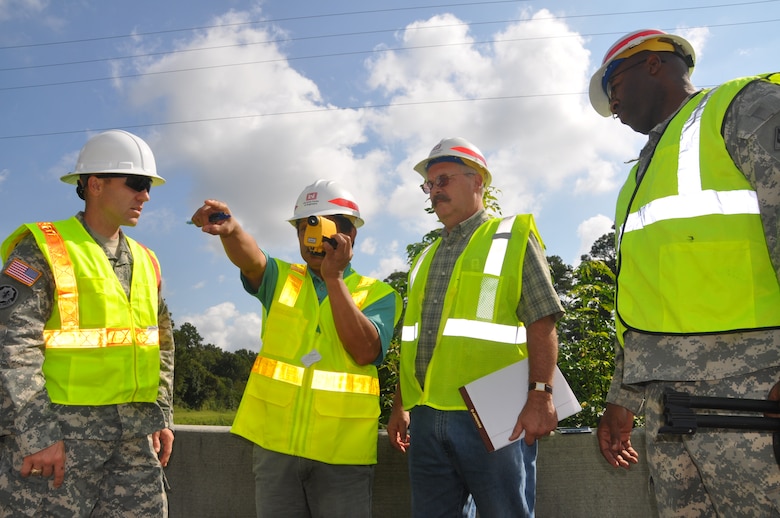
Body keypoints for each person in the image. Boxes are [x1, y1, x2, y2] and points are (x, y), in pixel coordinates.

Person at [589, 28, 780, 515]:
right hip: (666, 403)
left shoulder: (744, 107)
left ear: (653, 63)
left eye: (614, 85)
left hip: (751, 388)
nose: (612, 105)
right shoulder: (639, 175)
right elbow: (639, 298)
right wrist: (622, 398)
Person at [190, 179, 402, 518]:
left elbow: (365, 351)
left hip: (342, 456)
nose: (313, 239)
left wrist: (334, 279)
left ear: (351, 234)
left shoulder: (379, 294)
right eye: (305, 229)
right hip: (276, 450)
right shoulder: (283, 278)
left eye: (323, 227)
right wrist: (231, 231)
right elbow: (252, 260)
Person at [0, 129, 175, 516]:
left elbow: (161, 344)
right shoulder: (43, 246)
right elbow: (11, 345)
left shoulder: (147, 261)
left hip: (133, 441)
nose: (146, 195)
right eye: (137, 183)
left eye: (149, 186)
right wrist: (37, 434)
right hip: (60, 439)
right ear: (95, 184)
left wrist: (161, 416)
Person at [387, 137, 564, 518]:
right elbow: (416, 343)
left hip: (494, 412)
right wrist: (401, 405)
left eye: (444, 180)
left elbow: (542, 319)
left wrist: (541, 396)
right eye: (430, 185)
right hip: (427, 416)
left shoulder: (512, 237)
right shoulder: (424, 258)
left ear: (478, 181)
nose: (435, 191)